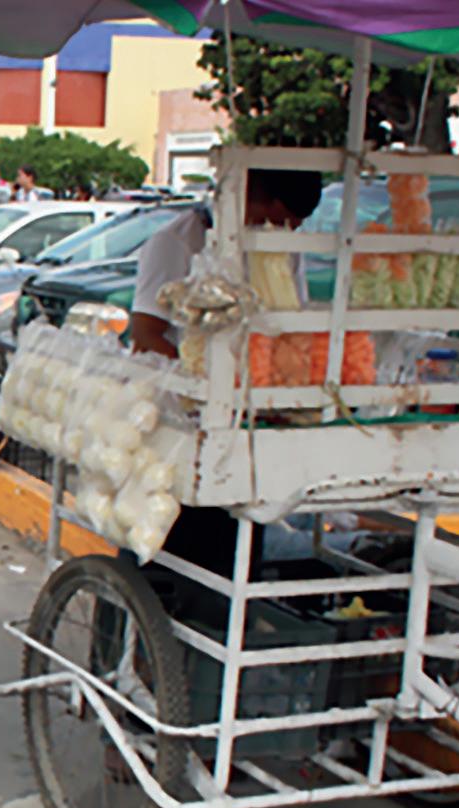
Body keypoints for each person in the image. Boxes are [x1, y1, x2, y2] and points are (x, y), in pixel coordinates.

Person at [130, 168, 322, 575]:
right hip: (183, 425)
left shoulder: (281, 246)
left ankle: (215, 608)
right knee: (170, 547)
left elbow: (288, 326)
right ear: (246, 199)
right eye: (274, 219)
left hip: (250, 420)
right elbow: (145, 334)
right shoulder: (175, 244)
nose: (283, 231)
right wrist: (201, 387)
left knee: (234, 547)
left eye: (293, 225)